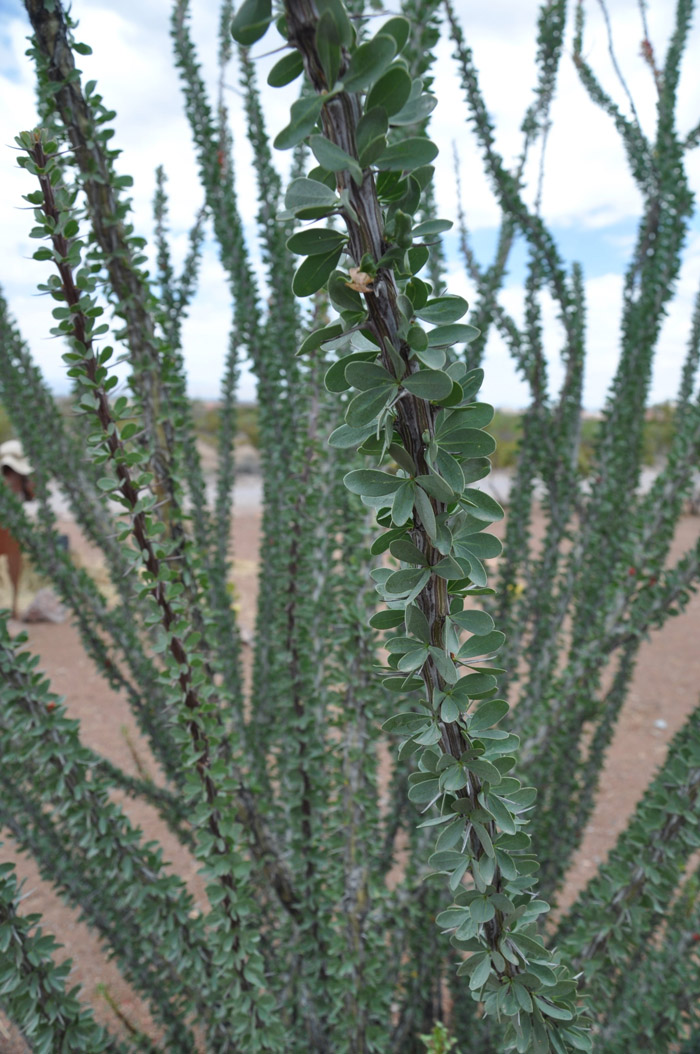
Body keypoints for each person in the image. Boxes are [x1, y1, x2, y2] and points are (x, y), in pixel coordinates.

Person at [0, 439, 34, 619]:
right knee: (13, 567)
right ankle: (12, 606)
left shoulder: (21, 483)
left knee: (14, 566)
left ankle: (12, 606)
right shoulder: (11, 483)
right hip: (9, 529)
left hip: (12, 531)